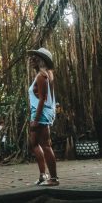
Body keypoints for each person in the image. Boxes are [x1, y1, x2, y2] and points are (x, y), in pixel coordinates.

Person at [27, 47, 59, 186]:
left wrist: (36, 119)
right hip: (39, 113)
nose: (32, 59)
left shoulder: (42, 76)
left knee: (45, 145)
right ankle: (42, 175)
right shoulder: (45, 75)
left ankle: (53, 179)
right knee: (34, 143)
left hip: (41, 114)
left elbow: (42, 99)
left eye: (35, 57)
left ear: (42, 60)